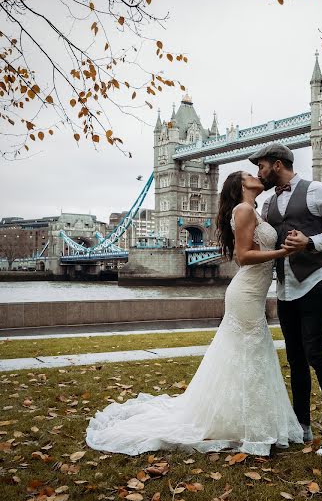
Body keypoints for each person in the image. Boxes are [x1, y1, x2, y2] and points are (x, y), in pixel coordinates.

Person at [85, 171, 303, 456]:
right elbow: (243, 256)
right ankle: (250, 425)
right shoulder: (243, 209)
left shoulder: (255, 211)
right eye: (250, 174)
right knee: (251, 353)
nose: (257, 175)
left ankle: (246, 421)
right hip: (246, 292)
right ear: (240, 185)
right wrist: (281, 254)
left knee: (248, 355)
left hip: (253, 291)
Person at [248, 142, 322, 457]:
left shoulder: (316, 190)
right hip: (284, 289)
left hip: (315, 282)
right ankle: (302, 426)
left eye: (262, 166)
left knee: (317, 356)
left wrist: (312, 242)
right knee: (295, 360)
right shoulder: (267, 204)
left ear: (278, 164)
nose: (260, 173)